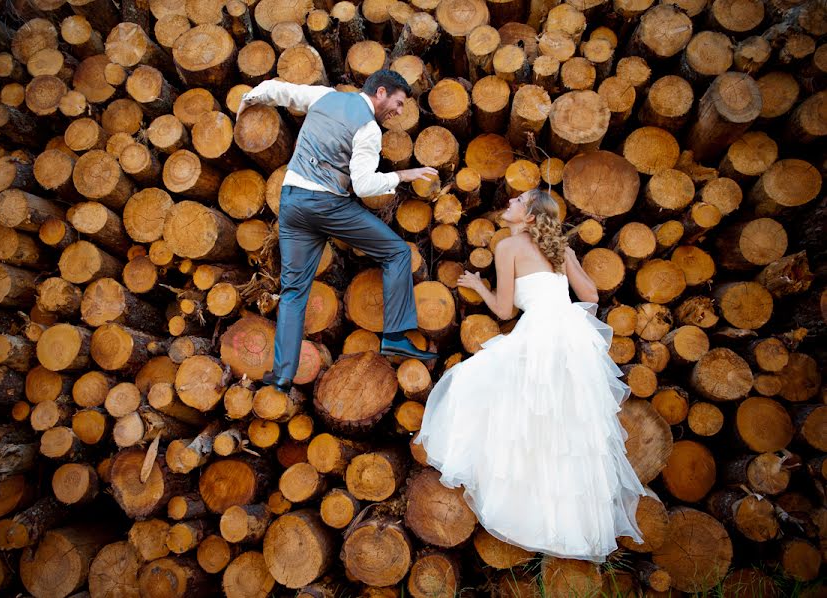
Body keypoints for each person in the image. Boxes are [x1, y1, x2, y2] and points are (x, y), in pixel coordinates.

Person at [414, 189, 645, 562]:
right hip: (571, 338)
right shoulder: (558, 249)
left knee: (481, 390)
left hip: (540, 335)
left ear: (531, 217)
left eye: (518, 201)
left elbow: (505, 310)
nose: (509, 202)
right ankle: (569, 525)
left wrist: (479, 287)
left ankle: (533, 513)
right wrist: (570, 259)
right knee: (564, 430)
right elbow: (589, 296)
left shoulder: (508, 247)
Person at [236, 70, 439, 393]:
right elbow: (364, 184)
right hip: (325, 205)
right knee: (397, 252)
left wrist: (249, 99)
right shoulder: (369, 129)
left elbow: (281, 90)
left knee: (293, 291)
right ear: (381, 92)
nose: (399, 112)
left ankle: (283, 375)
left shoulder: (325, 96)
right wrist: (403, 174)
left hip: (292, 201)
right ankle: (397, 337)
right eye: (398, 104)